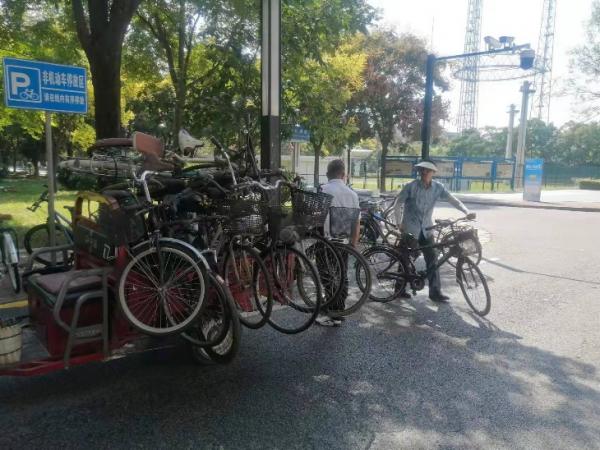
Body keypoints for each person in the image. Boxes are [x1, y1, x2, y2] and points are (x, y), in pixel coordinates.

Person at [394, 159, 475, 302]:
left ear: (433, 172)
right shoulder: (411, 187)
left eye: (428, 170)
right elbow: (398, 203)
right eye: (422, 170)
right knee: (405, 259)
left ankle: (435, 292)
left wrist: (466, 211)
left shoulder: (438, 187)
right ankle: (399, 289)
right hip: (411, 228)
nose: (424, 172)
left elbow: (453, 200)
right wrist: (398, 222)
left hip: (427, 229)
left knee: (432, 259)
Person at [316, 159, 360, 327]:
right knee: (341, 276)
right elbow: (356, 223)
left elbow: (316, 216)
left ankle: (332, 313)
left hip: (326, 242)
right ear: (343, 174)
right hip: (344, 243)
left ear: (328, 174)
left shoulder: (323, 189)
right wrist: (353, 244)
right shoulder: (353, 194)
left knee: (327, 276)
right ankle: (339, 311)